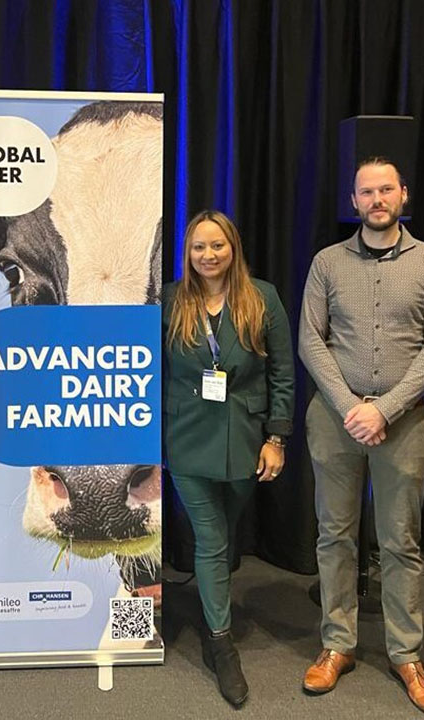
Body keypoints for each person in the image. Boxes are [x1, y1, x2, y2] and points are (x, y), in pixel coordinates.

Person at [298, 156, 424, 717]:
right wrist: (351, 408)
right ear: (354, 201)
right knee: (334, 535)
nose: (376, 199)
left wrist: (384, 409)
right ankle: (336, 644)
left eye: (386, 189)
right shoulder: (326, 263)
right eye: (366, 191)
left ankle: (406, 654)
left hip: (407, 421)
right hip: (336, 420)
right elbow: (310, 342)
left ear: (403, 194)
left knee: (400, 541)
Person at [162, 210, 294, 708]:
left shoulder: (263, 297)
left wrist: (276, 438)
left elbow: (282, 371)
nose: (208, 255)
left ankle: (211, 601)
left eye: (217, 246)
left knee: (225, 534)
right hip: (187, 439)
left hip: (245, 439)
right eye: (199, 247)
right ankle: (221, 642)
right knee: (213, 539)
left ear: (232, 248)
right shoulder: (170, 300)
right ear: (188, 253)